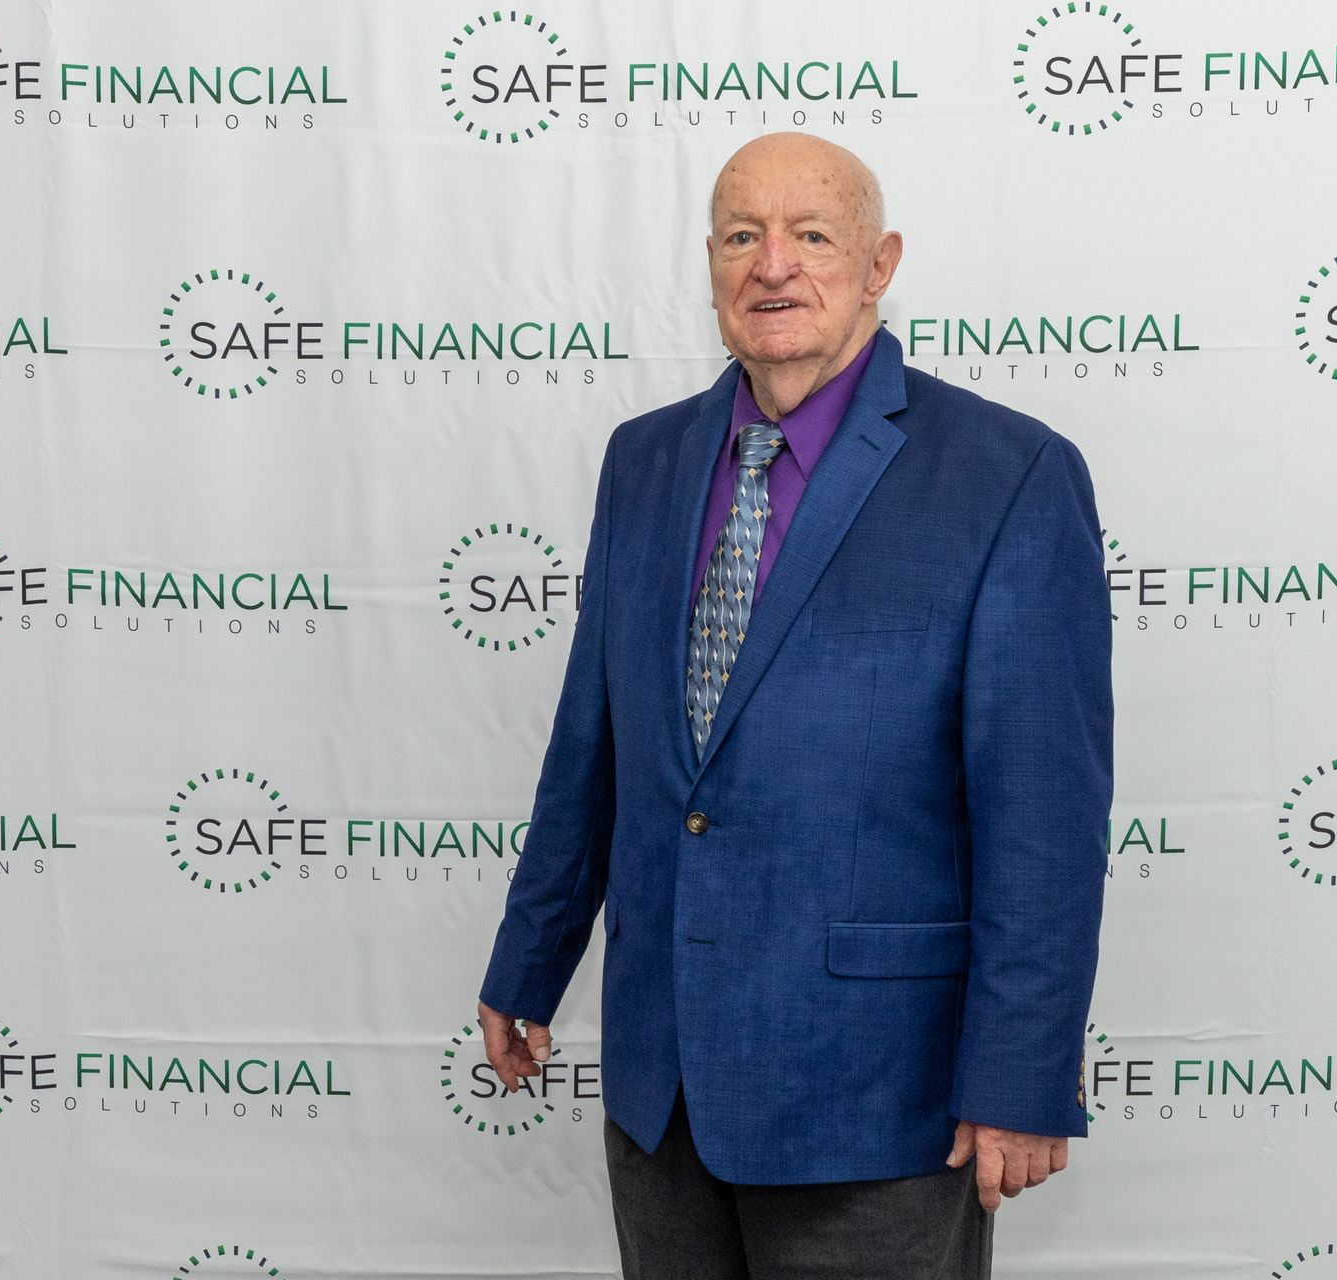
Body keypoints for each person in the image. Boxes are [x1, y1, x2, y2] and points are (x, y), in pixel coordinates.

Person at [476, 132, 1112, 1279]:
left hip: (880, 1097)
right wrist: (530, 958)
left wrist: (1021, 1075)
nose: (773, 265)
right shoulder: (645, 462)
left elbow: (1044, 816)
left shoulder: (1009, 476)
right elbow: (594, 743)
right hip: (662, 1084)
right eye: (740, 236)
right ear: (711, 266)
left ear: (880, 266)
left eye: (812, 235)